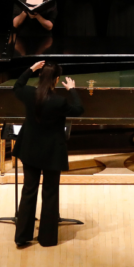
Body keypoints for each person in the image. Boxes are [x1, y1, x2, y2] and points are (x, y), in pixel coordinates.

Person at [12, 60, 83, 247]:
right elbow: (79, 110)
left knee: (29, 190)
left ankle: (22, 237)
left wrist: (30, 69)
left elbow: (17, 86)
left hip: (30, 149)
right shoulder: (59, 101)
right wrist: (72, 90)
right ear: (57, 80)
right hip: (51, 152)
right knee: (50, 192)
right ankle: (47, 238)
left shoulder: (28, 94)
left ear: (40, 76)